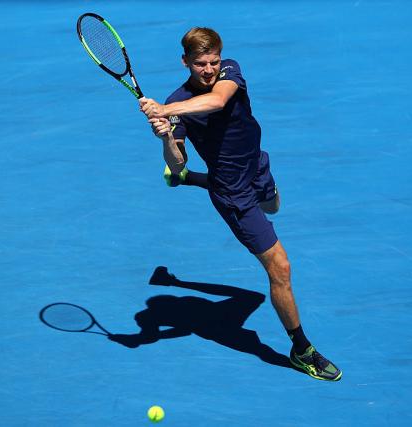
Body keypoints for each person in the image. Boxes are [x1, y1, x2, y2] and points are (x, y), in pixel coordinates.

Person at [139, 27, 341, 381]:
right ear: (185, 62)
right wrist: (166, 136)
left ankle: (191, 182)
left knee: (273, 208)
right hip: (234, 195)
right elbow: (177, 160)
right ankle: (301, 351)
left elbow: (218, 101)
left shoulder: (228, 71)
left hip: (257, 164)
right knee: (280, 268)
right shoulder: (178, 101)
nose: (209, 69)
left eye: (213, 62)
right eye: (200, 64)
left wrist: (166, 110)